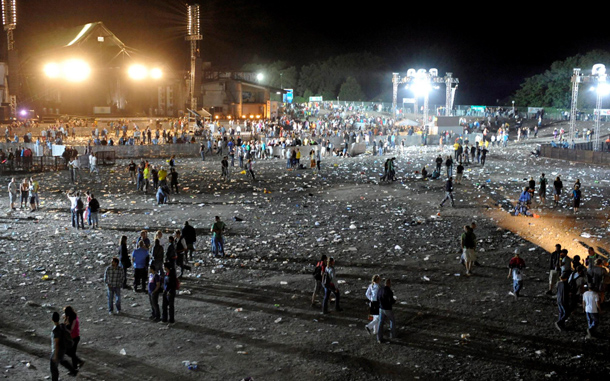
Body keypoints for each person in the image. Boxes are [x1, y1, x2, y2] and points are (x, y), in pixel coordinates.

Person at [50, 311, 78, 381]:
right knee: (61, 360)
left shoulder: (56, 330)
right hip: (63, 349)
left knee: (53, 367)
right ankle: (73, 371)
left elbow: (56, 344)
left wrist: (55, 355)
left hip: (58, 350)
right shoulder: (61, 326)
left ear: (52, 319)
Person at [63, 306, 85, 370]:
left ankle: (78, 363)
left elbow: (71, 329)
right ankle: (76, 365)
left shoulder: (73, 319)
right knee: (72, 353)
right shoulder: (73, 317)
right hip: (74, 337)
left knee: (69, 352)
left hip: (74, 338)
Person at [376, 278, 396, 344]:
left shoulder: (380, 289)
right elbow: (391, 301)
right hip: (387, 308)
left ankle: (379, 337)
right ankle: (392, 335)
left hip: (381, 308)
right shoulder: (389, 291)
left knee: (380, 322)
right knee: (392, 320)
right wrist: (394, 301)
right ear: (389, 283)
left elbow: (377, 298)